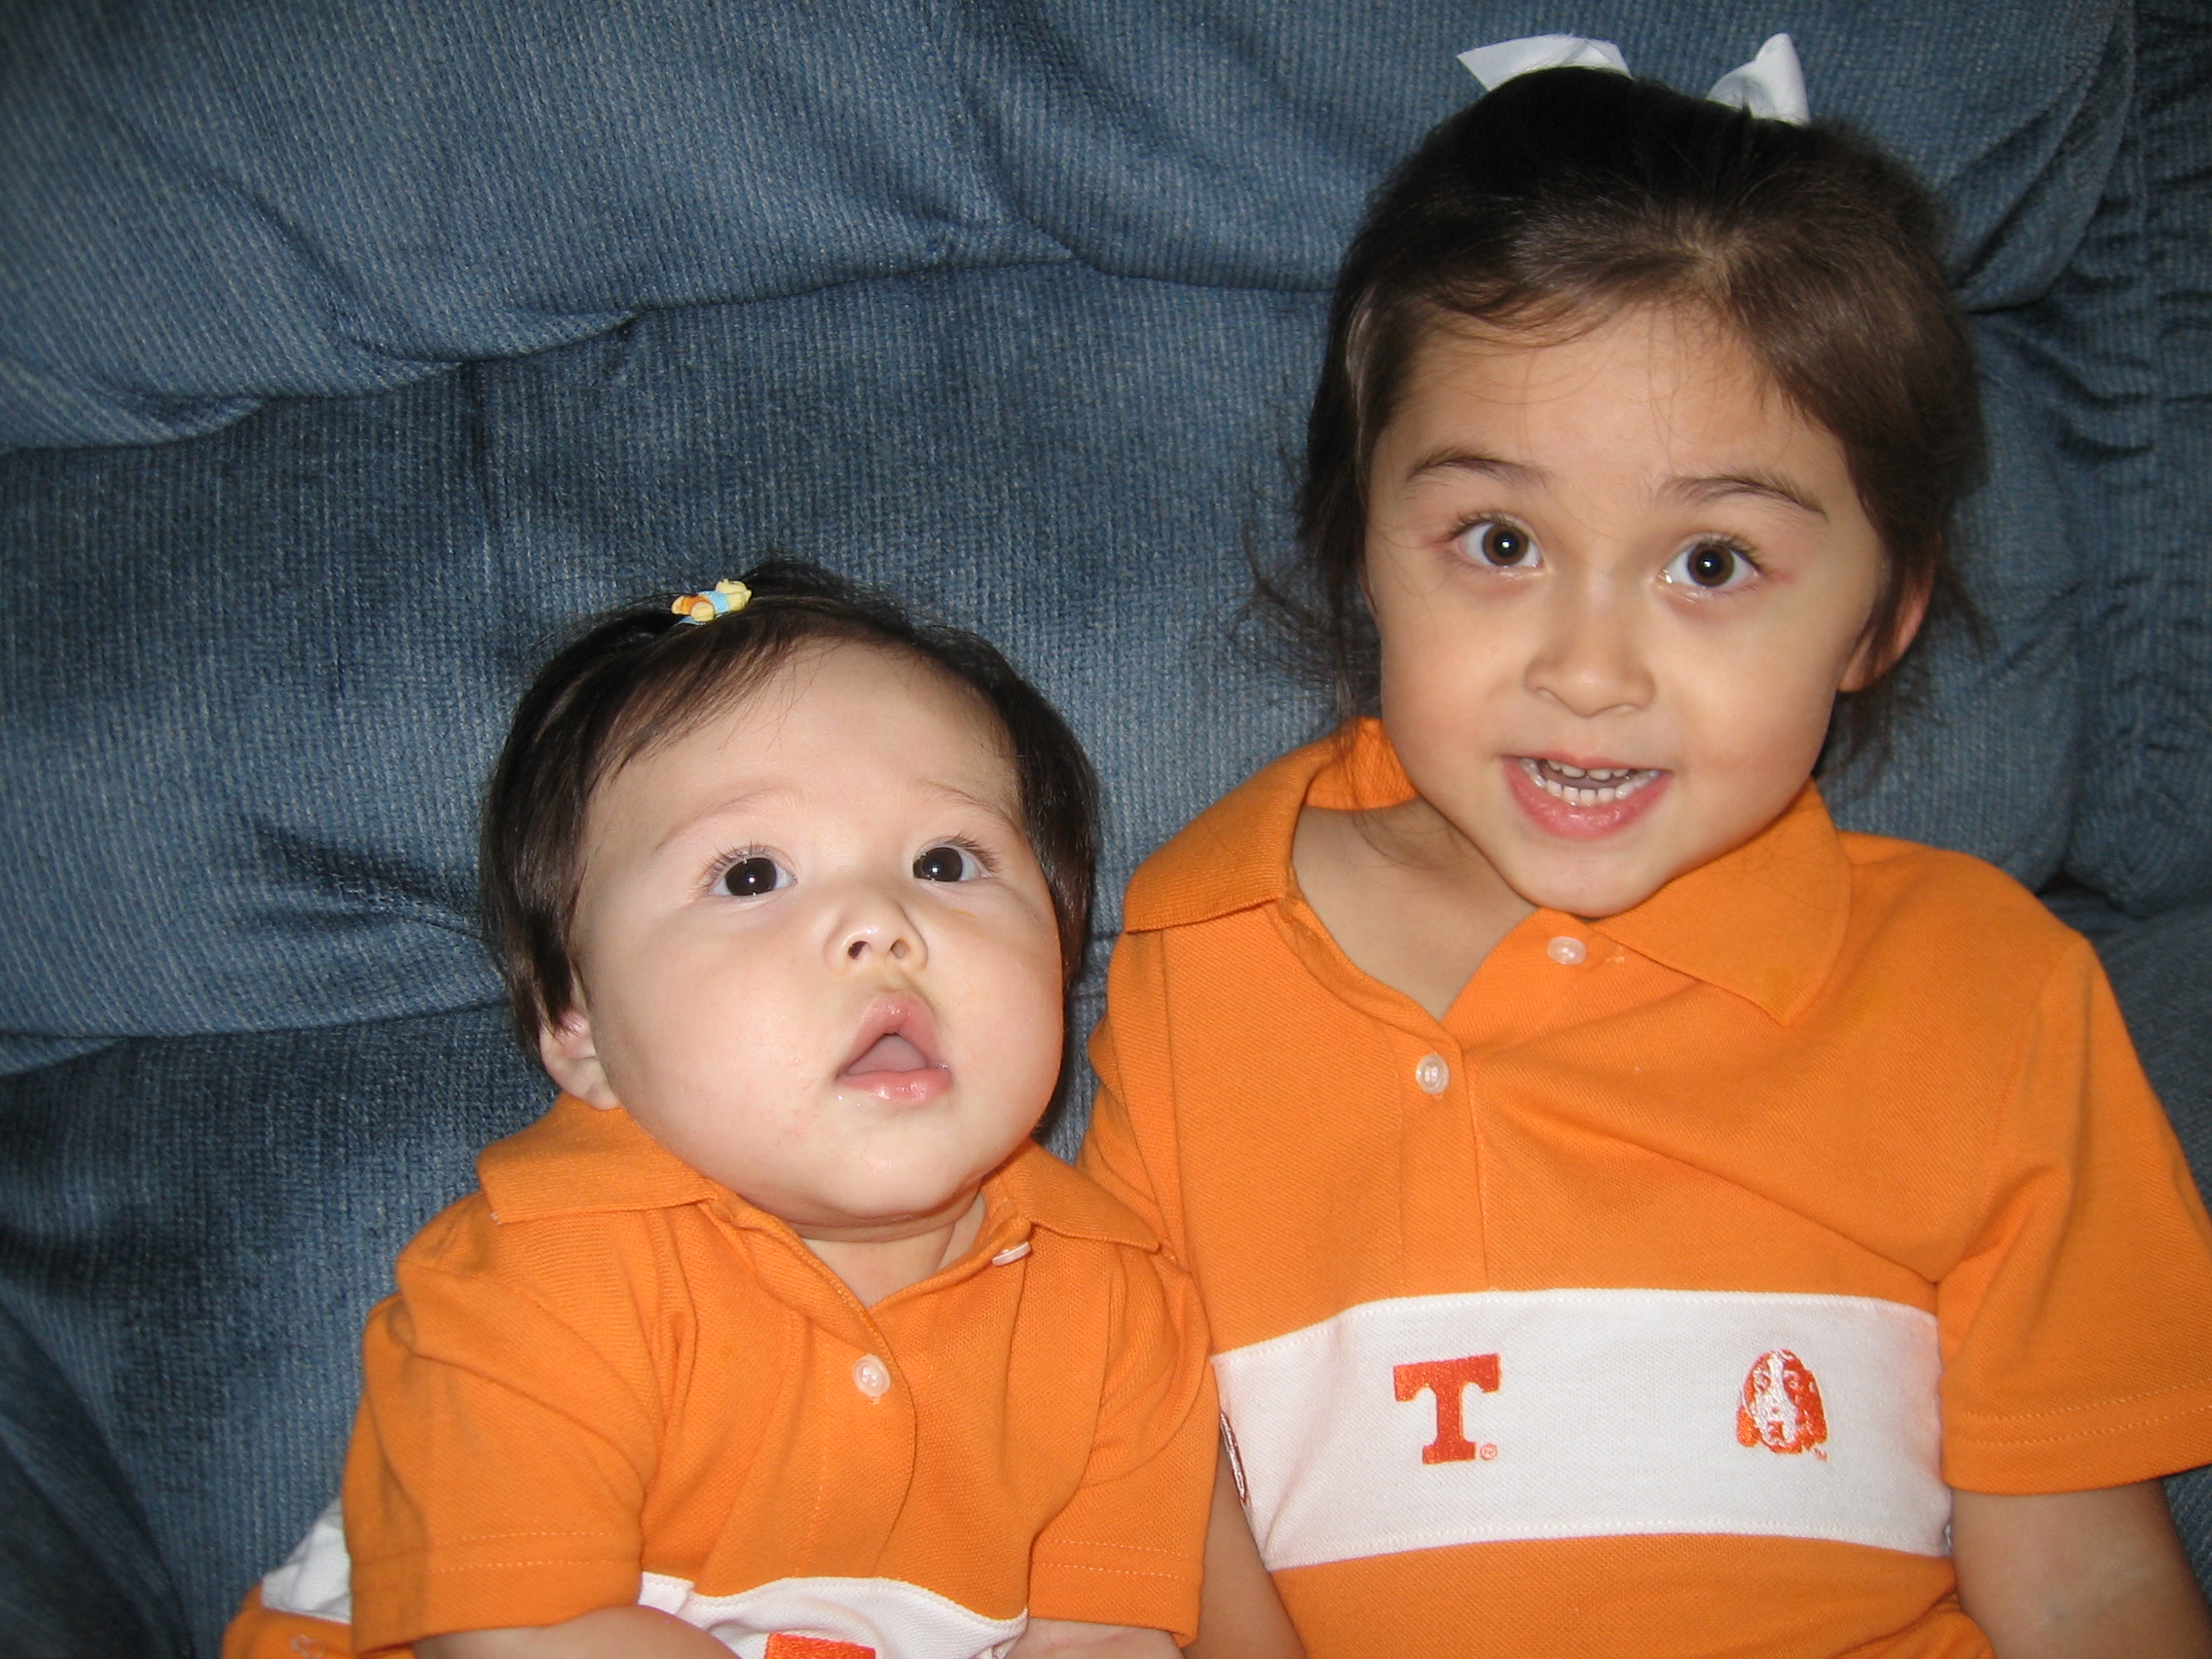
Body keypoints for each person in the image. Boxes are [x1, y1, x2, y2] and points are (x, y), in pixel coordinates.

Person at [1078, 43, 2212, 1659]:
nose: (1590, 666)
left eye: (1709, 559)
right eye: (1500, 541)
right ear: (1361, 554)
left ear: (1876, 618)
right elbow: (1159, 1499)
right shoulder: (1200, 943)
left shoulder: (1993, 987)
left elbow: (2086, 1577)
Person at [224, 562, 1216, 1659]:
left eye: (946, 861)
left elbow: (1107, 1636)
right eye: (749, 876)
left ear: (1062, 949)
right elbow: (523, 1635)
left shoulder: (1122, 1306)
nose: (880, 926)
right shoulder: (538, 1275)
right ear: (581, 1026)